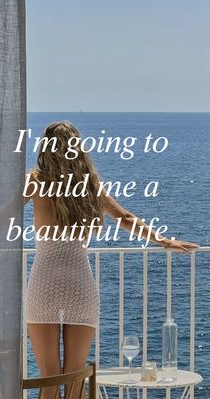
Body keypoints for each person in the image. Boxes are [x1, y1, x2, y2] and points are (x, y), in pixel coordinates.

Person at [24, 121, 198, 399]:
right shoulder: (89, 185)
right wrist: (164, 241)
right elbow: (125, 219)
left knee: (49, 376)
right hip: (79, 284)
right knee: (75, 376)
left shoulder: (35, 180)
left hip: (45, 281)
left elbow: (1, 209)